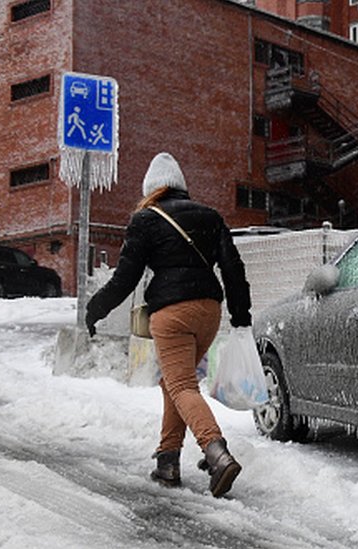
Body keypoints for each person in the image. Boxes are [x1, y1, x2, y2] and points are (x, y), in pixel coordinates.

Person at [85, 152, 252, 498]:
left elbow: (124, 279)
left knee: (182, 386)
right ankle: (168, 460)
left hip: (172, 314)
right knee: (174, 383)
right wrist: (241, 316)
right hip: (209, 311)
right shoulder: (210, 216)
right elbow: (233, 269)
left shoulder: (145, 220)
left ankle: (216, 453)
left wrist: (95, 309)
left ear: (151, 189)